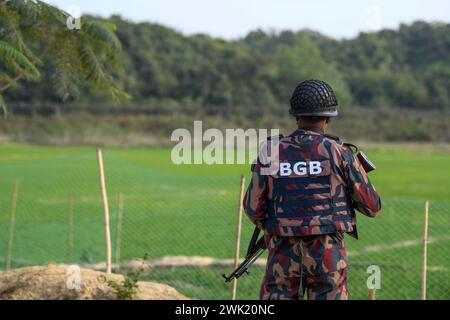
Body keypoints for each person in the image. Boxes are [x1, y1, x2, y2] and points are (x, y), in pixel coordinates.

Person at [243, 79, 381, 300]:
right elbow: (372, 207)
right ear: (328, 118)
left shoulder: (271, 152)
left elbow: (252, 208)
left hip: (282, 255)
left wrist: (276, 228)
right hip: (328, 256)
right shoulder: (340, 153)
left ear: (296, 116)